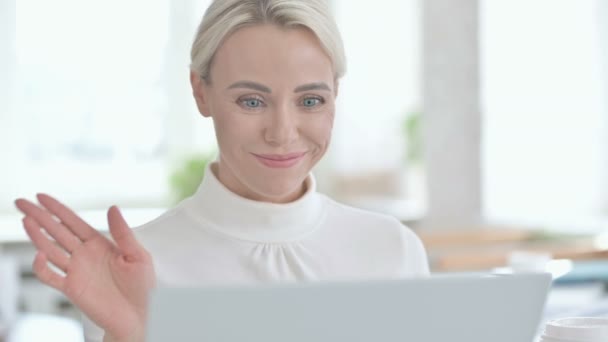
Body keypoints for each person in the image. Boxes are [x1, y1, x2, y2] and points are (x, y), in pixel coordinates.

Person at [14, 0, 429, 341]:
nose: (282, 133)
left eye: (310, 101)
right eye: (251, 101)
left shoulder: (392, 250)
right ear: (201, 92)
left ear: (335, 94)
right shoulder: (134, 265)